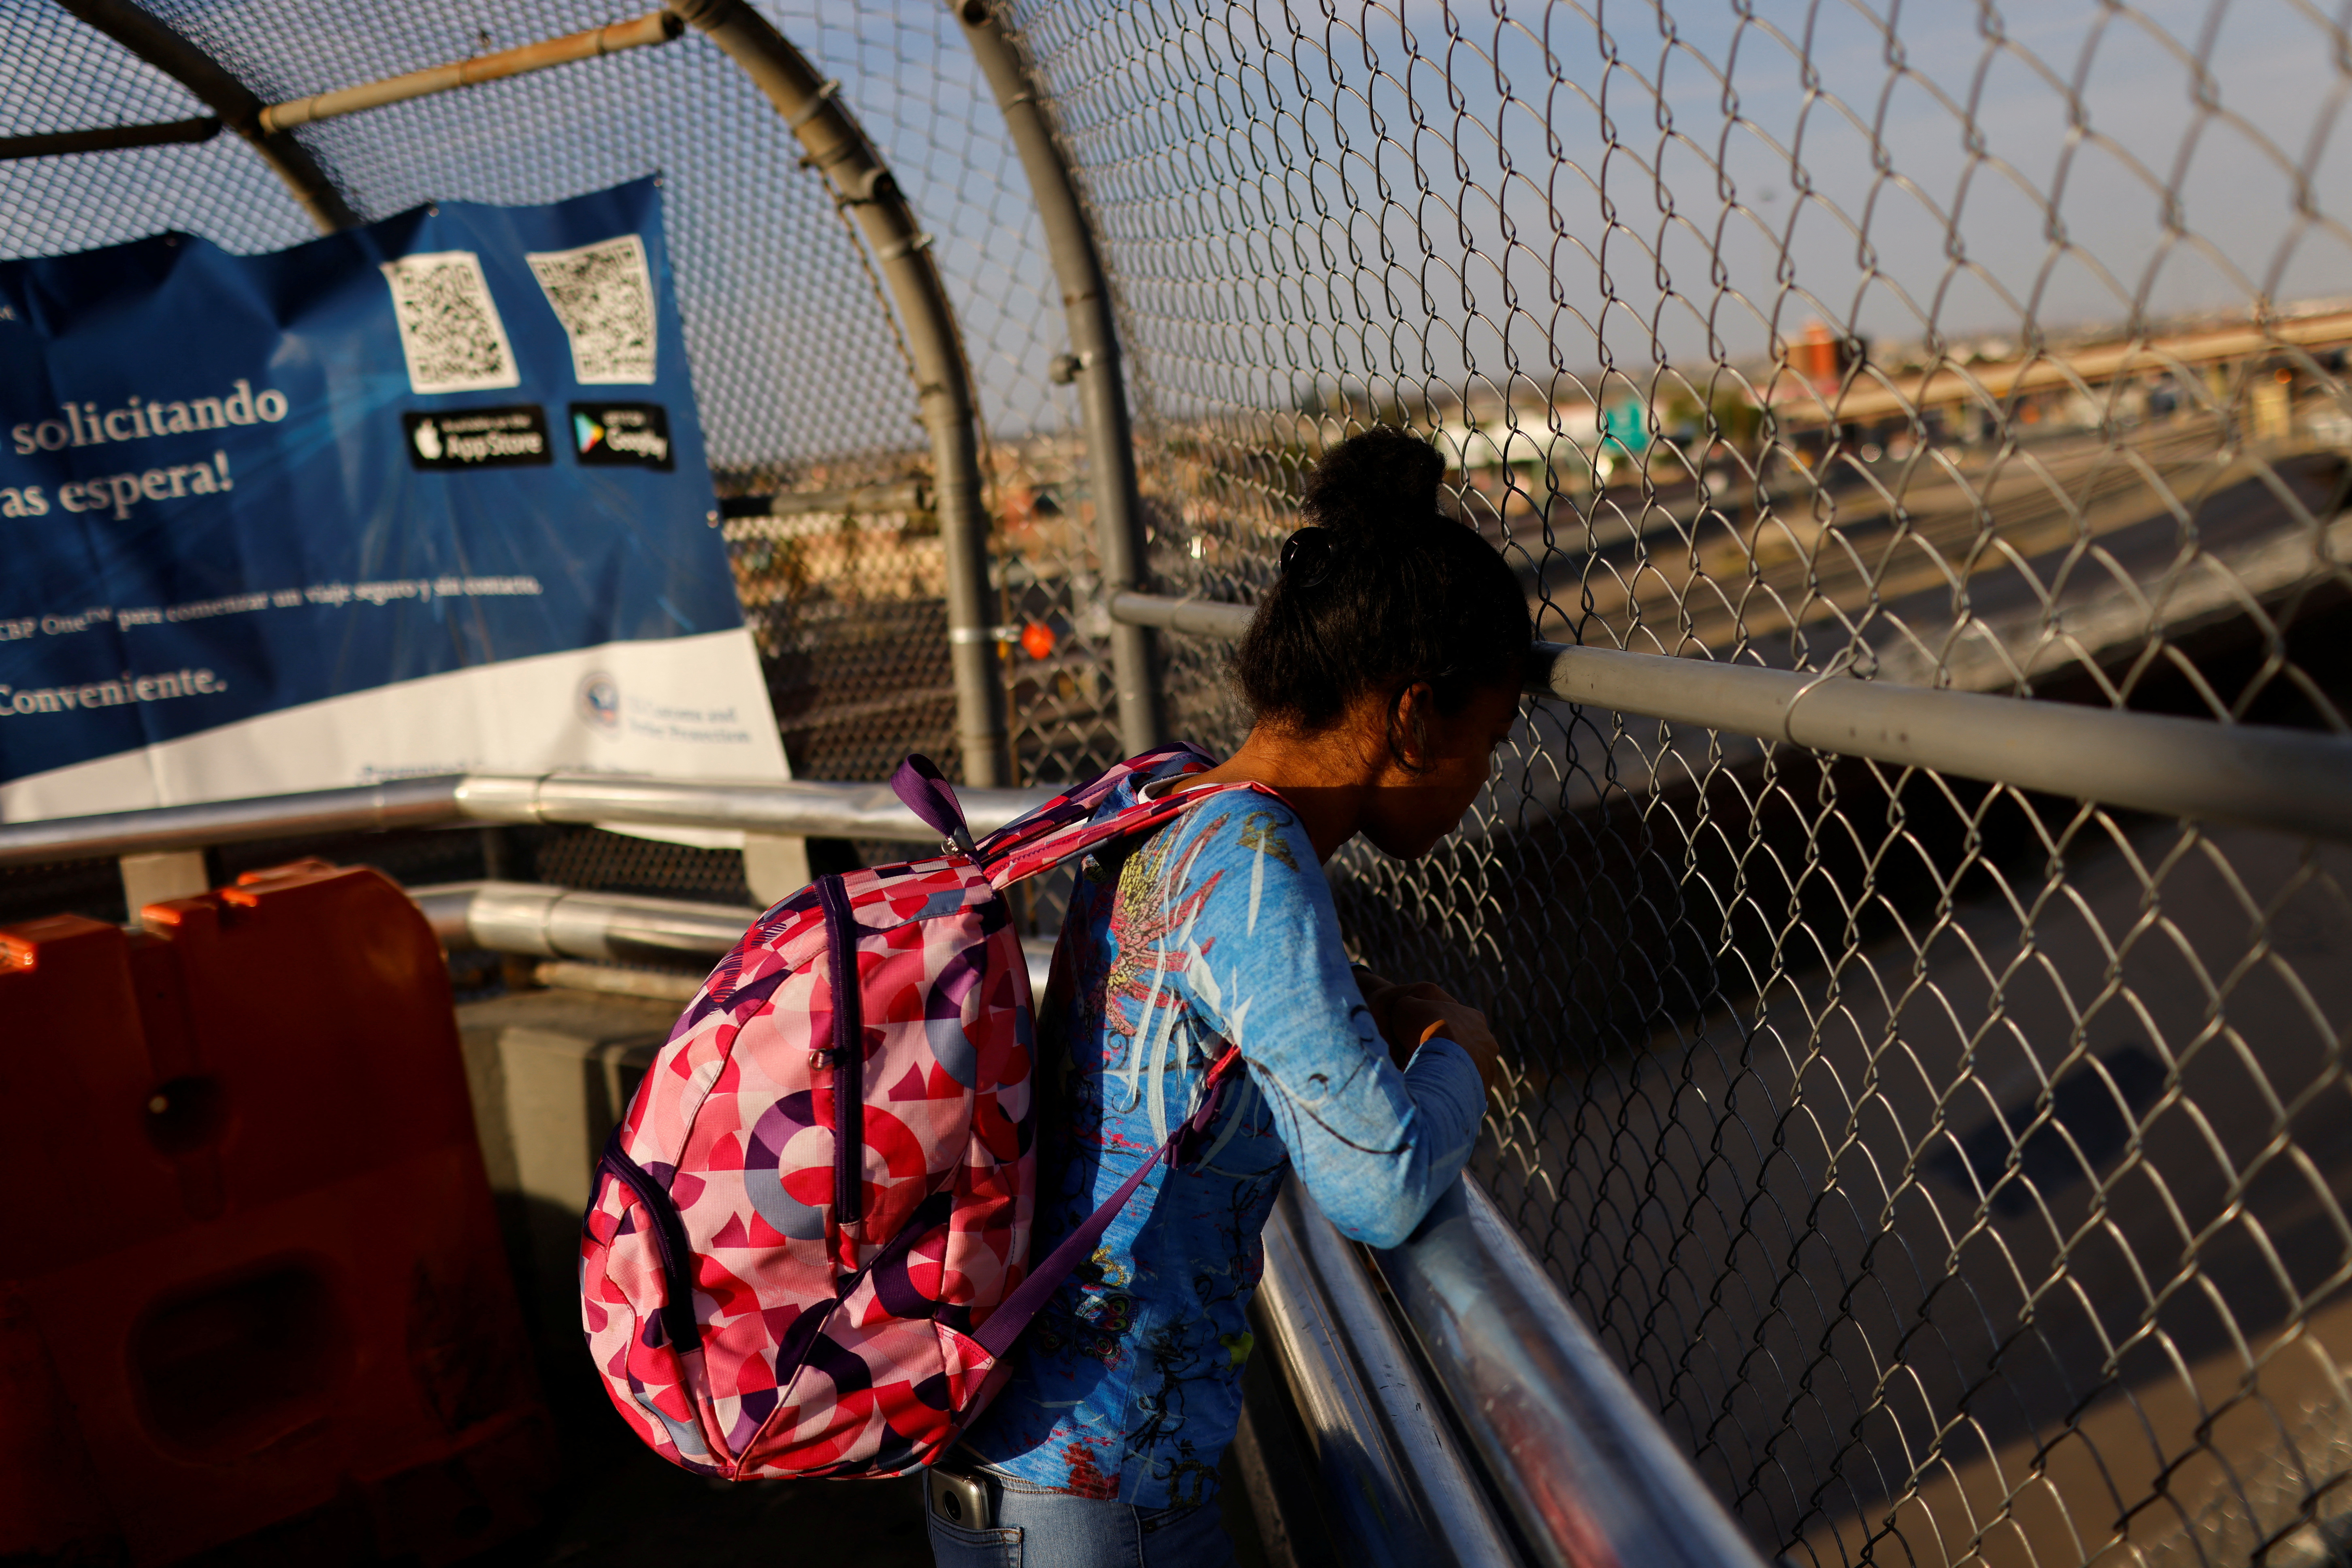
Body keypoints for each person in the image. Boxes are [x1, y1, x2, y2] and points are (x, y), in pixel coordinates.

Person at [929, 426, 1532, 1568]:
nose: (1487, 779)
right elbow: (1381, 1184)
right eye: (1488, 742)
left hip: (1031, 1468)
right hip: (1094, 1505)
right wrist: (1461, 1048)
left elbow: (1180, 1009)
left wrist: (1355, 999)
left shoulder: (1173, 797)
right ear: (1413, 718)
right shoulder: (1255, 860)